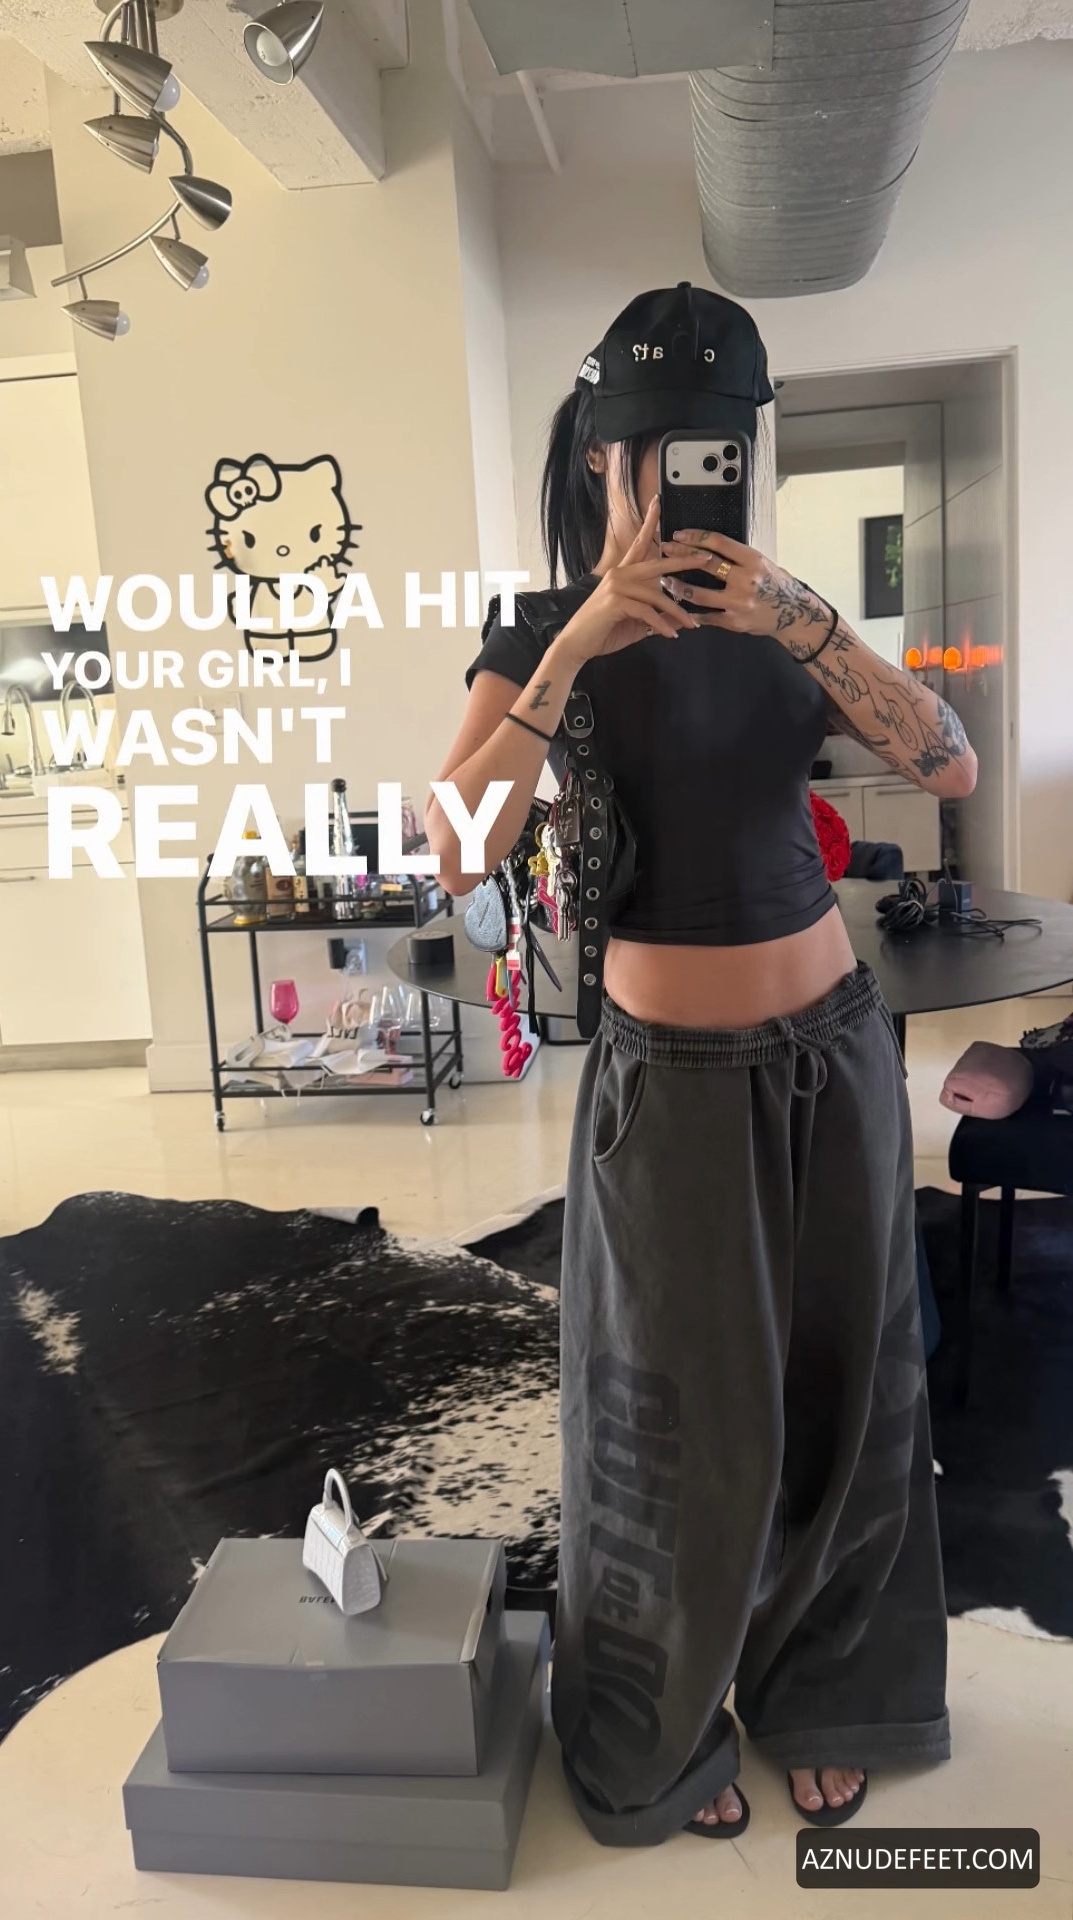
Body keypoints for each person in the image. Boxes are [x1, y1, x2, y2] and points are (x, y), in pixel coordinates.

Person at [426, 283, 976, 1846]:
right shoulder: (542, 632)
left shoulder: (790, 621)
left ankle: (833, 1691)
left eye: (722, 449)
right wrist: (583, 638)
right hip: (668, 1081)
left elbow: (947, 762)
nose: (692, 480)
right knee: (672, 1415)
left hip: (834, 1054)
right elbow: (457, 848)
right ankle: (657, 1729)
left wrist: (810, 624)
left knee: (852, 1382)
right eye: (664, 452)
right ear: (607, 459)